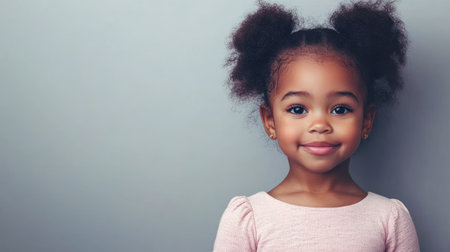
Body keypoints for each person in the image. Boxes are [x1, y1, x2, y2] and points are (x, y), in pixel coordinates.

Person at [213, 0, 420, 251]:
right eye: (298, 109)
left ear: (367, 120)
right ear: (270, 121)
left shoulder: (389, 219)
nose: (320, 124)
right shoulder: (248, 218)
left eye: (340, 109)